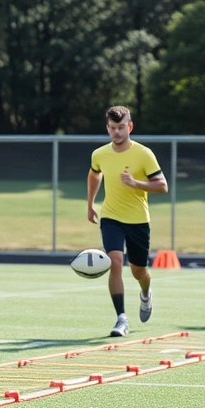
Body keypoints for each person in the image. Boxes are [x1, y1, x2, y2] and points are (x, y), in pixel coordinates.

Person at [86, 106, 168, 337]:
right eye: (112, 128)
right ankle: (121, 318)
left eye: (121, 127)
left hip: (138, 221)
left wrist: (136, 183)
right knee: (114, 262)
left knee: (138, 271)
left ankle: (145, 292)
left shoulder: (144, 154)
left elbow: (162, 186)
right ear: (107, 128)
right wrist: (90, 204)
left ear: (129, 127)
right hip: (111, 217)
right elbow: (94, 174)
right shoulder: (99, 154)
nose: (117, 132)